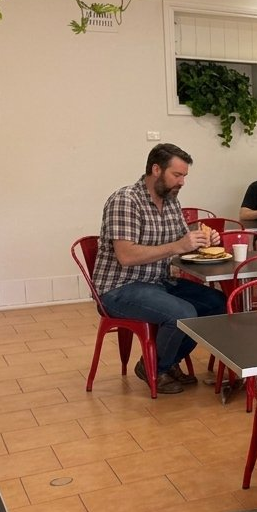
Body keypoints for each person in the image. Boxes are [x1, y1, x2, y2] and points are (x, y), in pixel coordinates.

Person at [92, 143, 226, 395]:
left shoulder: (171, 201)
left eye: (184, 176)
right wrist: (178, 245)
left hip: (158, 281)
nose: (182, 182)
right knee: (182, 313)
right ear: (156, 169)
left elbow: (180, 245)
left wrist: (201, 241)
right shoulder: (125, 200)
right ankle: (156, 367)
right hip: (119, 287)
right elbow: (127, 256)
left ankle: (166, 360)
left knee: (217, 303)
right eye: (177, 175)